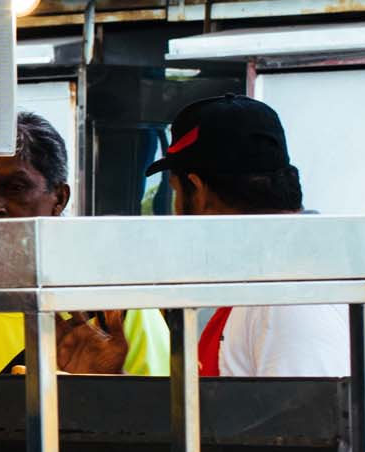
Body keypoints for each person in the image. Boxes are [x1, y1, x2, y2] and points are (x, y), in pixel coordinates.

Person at [0, 111, 169, 376]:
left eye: (14, 188)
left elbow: (168, 413)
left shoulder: (118, 310)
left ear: (59, 198)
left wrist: (104, 386)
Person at [144, 94, 351, 378]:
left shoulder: (289, 299)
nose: (176, 211)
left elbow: (308, 419)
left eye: (177, 192)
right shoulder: (261, 284)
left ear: (198, 190)